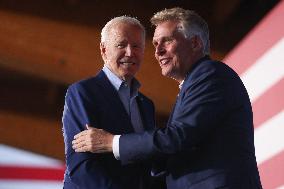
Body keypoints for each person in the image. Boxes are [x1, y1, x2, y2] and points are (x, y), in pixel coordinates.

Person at [72, 7, 263, 189]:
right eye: (155, 44)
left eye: (167, 41)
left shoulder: (211, 74)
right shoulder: (192, 84)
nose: (158, 51)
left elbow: (177, 137)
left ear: (195, 43)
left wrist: (111, 142)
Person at [62, 16, 161, 189]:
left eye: (136, 46)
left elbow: (146, 168)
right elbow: (82, 168)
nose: (130, 52)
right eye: (121, 45)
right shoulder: (83, 93)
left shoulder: (146, 105)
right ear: (104, 50)